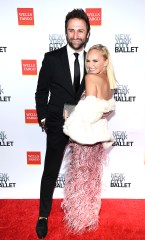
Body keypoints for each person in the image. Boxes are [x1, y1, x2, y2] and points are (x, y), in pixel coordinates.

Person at [35, 8, 90, 239]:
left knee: (82, 172)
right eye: (71, 30)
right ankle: (43, 215)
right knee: (50, 171)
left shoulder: (93, 60)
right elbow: (41, 92)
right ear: (65, 33)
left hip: (84, 127)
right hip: (58, 124)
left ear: (87, 33)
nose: (75, 35)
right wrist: (44, 118)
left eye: (80, 31)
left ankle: (81, 213)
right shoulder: (51, 58)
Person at [61, 44, 117, 234]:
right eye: (88, 60)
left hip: (84, 139)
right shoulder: (107, 81)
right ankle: (88, 217)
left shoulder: (91, 78)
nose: (90, 64)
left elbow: (88, 114)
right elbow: (106, 110)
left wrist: (69, 115)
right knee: (91, 180)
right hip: (98, 140)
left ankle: (78, 219)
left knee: (79, 180)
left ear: (105, 61)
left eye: (95, 60)